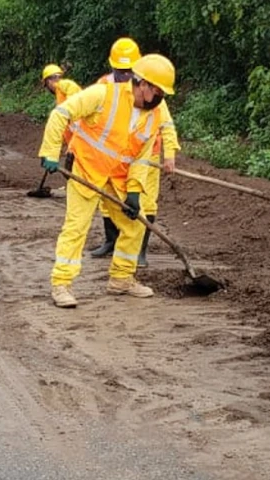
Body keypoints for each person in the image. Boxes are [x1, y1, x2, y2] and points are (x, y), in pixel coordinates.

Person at [38, 54, 176, 308]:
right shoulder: (103, 94)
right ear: (142, 84)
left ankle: (122, 279)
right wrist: (49, 151)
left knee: (136, 225)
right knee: (76, 227)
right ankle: (61, 284)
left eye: (163, 93)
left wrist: (134, 192)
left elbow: (141, 159)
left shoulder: (153, 115)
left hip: (119, 177)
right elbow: (61, 114)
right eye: (157, 91)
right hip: (87, 170)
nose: (160, 97)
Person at [89, 38, 180, 267]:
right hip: (114, 157)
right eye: (121, 71)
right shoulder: (104, 86)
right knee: (107, 199)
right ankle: (111, 241)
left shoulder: (152, 89)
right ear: (112, 68)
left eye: (129, 71)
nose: (125, 76)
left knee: (145, 202)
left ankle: (140, 251)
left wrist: (169, 154)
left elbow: (166, 125)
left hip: (146, 156)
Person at [42, 64, 82, 168]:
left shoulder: (63, 85)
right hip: (75, 141)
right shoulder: (60, 94)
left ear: (48, 81)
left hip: (81, 140)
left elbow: (72, 90)